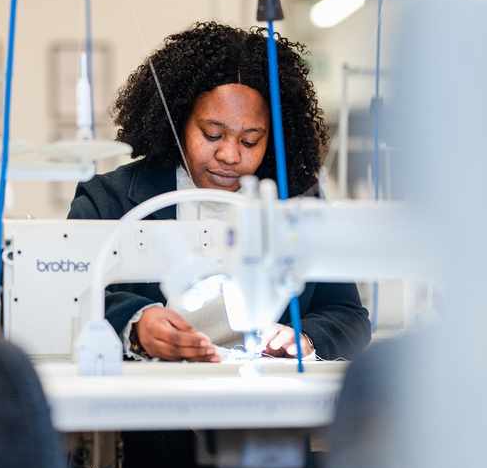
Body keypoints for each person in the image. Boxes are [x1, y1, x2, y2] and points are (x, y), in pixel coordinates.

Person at [68, 21, 371, 363]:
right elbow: (73, 298)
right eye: (212, 134)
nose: (230, 155)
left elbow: (349, 316)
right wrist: (136, 325)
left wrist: (304, 337)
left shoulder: (299, 204)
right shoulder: (110, 199)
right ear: (179, 121)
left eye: (250, 140)